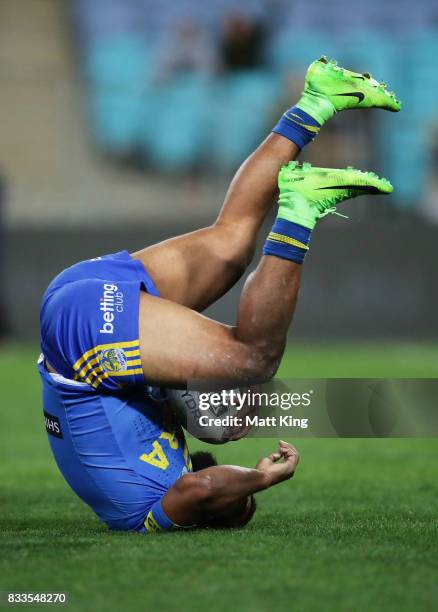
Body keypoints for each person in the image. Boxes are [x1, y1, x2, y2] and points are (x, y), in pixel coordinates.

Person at [39, 57, 401, 533]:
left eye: (239, 508)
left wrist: (260, 479)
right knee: (231, 243)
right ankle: (319, 99)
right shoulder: (171, 456)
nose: (237, 500)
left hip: (82, 339)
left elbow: (202, 491)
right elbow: (148, 391)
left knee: (252, 359)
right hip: (73, 300)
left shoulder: (150, 516)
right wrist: (216, 408)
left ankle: (300, 210)